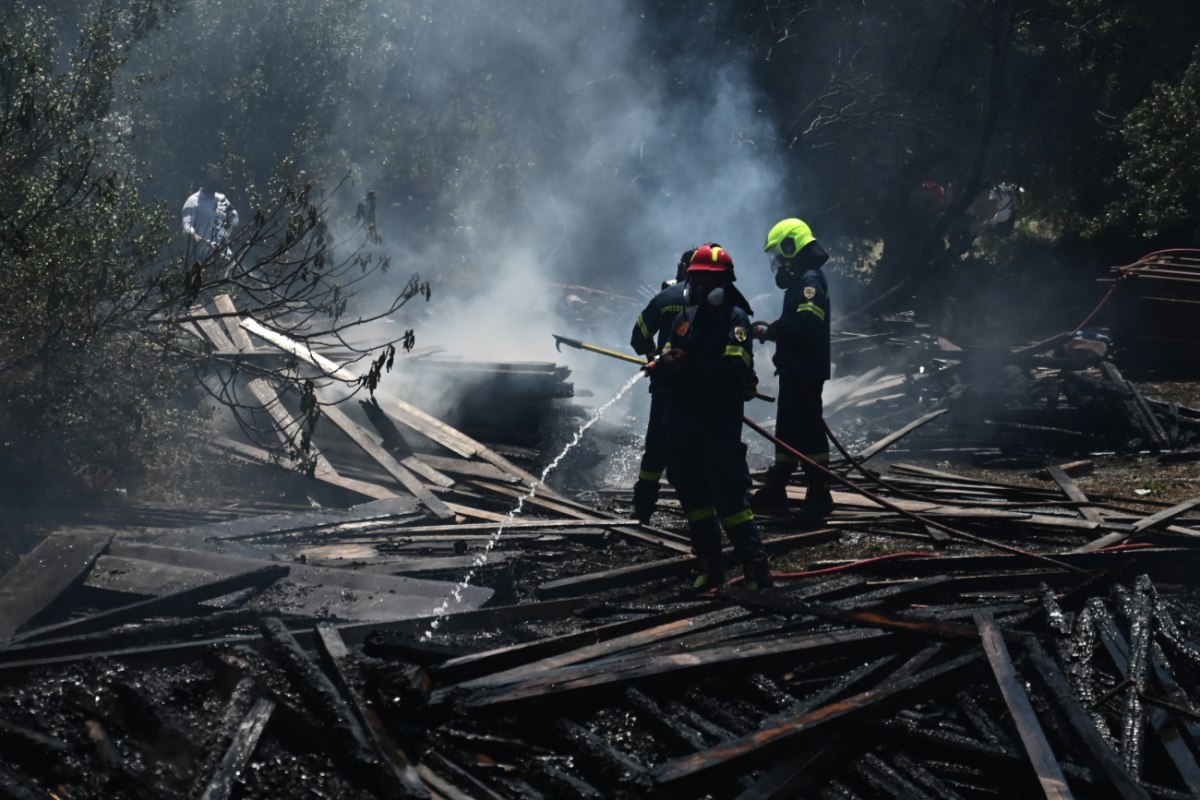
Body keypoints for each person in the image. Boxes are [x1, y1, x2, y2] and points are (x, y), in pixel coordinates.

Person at [647, 244, 771, 591]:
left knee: (729, 497)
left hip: (717, 426)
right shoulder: (684, 320)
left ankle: (755, 569)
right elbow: (670, 362)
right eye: (694, 280)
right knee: (692, 496)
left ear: (721, 284)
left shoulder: (736, 320)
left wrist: (689, 364)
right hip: (683, 425)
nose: (696, 287)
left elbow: (734, 371)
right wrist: (663, 367)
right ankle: (709, 567)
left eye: (703, 281)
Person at [749, 218, 833, 520]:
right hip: (798, 369)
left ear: (791, 246)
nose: (778, 263)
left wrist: (776, 330)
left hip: (805, 370)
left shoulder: (810, 281)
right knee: (788, 429)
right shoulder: (803, 279)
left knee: (809, 429)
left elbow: (807, 323)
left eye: (779, 254)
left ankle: (819, 493)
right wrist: (776, 330)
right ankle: (777, 489)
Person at [627, 246, 697, 524]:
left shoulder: (665, 298)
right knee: (696, 448)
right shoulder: (722, 303)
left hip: (666, 388)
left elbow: (638, 336)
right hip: (700, 391)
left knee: (656, 447)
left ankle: (642, 509)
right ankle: (701, 513)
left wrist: (652, 356)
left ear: (681, 268)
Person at [182, 163, 238, 261]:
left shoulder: (222, 200)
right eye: (211, 179)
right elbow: (187, 227)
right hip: (201, 258)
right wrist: (204, 242)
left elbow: (234, 220)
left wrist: (226, 237)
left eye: (216, 179)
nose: (214, 182)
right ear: (203, 179)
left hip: (224, 257)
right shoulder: (193, 201)